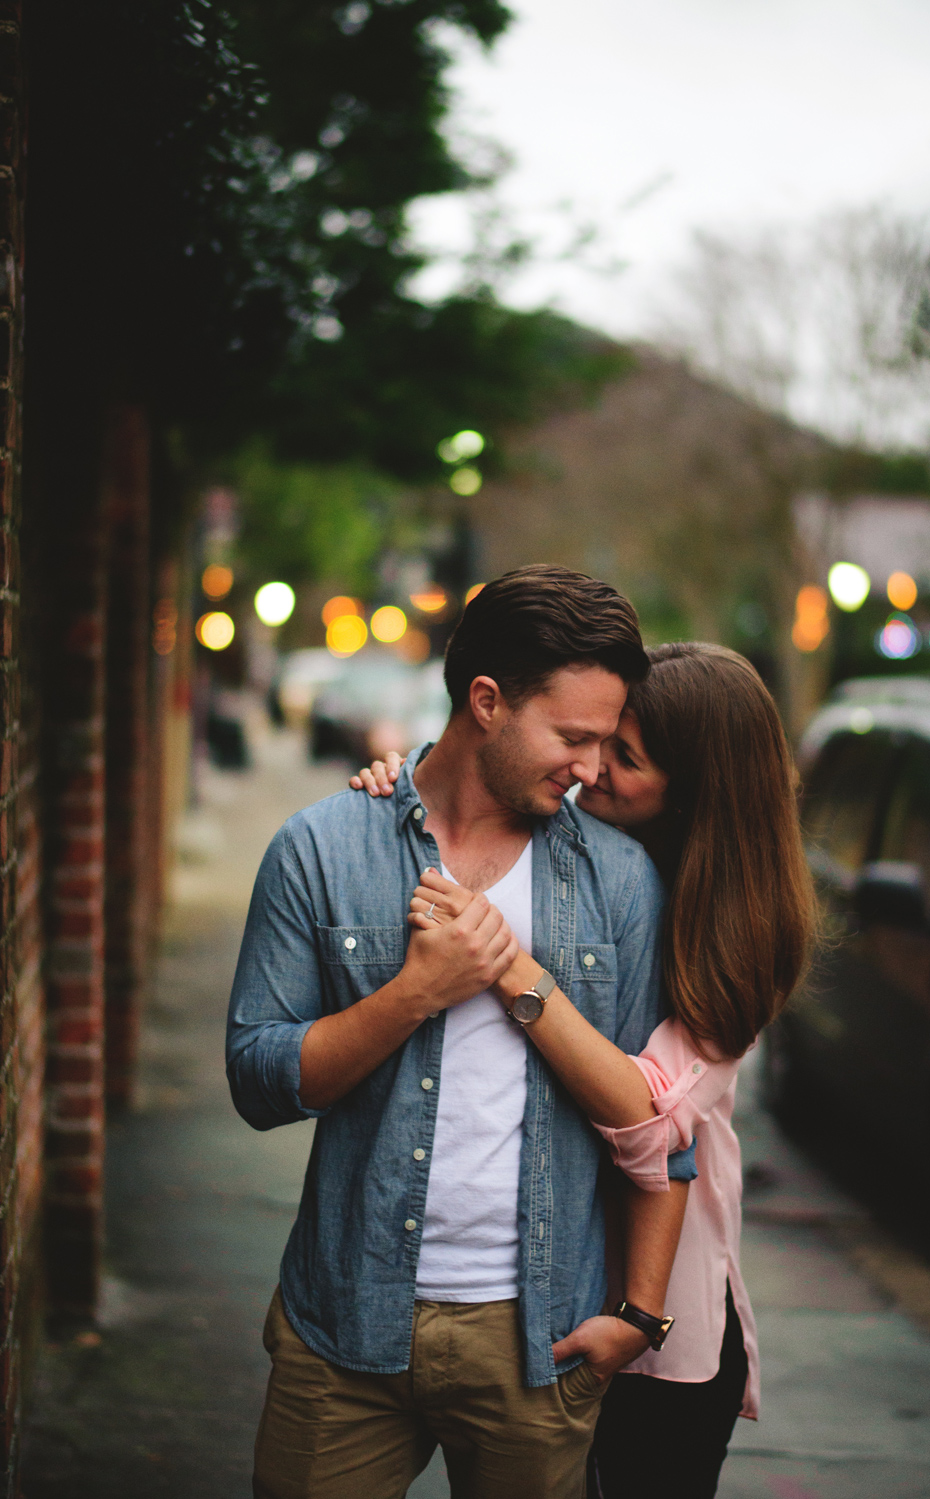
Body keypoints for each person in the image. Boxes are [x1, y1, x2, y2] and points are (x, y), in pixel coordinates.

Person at [226, 567, 699, 1499]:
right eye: (573, 737)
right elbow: (258, 1078)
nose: (592, 769)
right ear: (486, 701)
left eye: (606, 743)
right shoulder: (321, 848)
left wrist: (637, 1318)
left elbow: (657, 1132)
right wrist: (415, 992)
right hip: (344, 1322)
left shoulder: (619, 878)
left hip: (541, 1336)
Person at [352, 640, 817, 1499]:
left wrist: (507, 964)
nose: (591, 767)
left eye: (625, 757)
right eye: (600, 738)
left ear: (695, 793)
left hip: (652, 1337)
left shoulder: (737, 935)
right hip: (540, 1302)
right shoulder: (582, 859)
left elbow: (649, 1116)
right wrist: (407, 787)